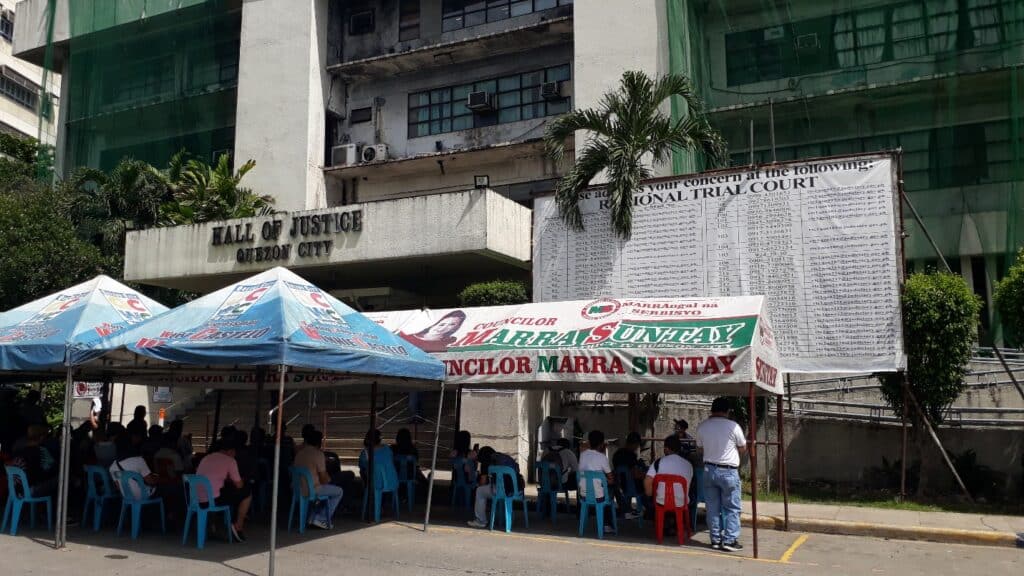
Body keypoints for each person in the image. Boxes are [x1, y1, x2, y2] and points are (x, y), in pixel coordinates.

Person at [697, 397, 747, 552]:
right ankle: (730, 540)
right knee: (732, 507)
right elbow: (742, 447)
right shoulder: (733, 426)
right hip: (728, 471)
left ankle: (715, 539)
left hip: (708, 470)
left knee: (712, 507)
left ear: (712, 409)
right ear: (727, 411)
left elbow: (700, 449)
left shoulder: (702, 427)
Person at [196, 431, 252, 542]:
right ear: (231, 451)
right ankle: (238, 526)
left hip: (196, 499)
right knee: (247, 492)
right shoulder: (230, 461)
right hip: (212, 501)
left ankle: (212, 527)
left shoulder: (207, 458)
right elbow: (239, 485)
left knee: (221, 491)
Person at [294, 428, 343, 529]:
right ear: (319, 442)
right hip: (312, 490)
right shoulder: (318, 454)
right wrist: (330, 479)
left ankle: (313, 516)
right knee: (338, 491)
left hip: (298, 489)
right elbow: (324, 479)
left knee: (327, 491)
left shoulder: (299, 453)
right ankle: (321, 518)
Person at [644, 435, 694, 522]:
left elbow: (647, 481)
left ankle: (658, 520)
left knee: (648, 496)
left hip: (661, 501)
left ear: (666, 448)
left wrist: (650, 495)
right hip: (682, 502)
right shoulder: (688, 465)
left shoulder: (658, 462)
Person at [468, 446, 521, 529]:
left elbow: (482, 482)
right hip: (515, 490)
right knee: (498, 491)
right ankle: (507, 518)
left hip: (500, 490)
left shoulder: (486, 463)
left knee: (479, 491)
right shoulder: (502, 458)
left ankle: (481, 521)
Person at [577, 430, 615, 529]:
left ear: (589, 442)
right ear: (602, 444)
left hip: (584, 495)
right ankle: (607, 524)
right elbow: (610, 479)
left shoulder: (583, 455)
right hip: (599, 497)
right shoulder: (602, 458)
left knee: (600, 487)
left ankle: (583, 520)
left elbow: (580, 472)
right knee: (610, 489)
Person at [11, 425, 58, 497]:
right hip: (32, 490)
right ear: (42, 437)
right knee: (62, 478)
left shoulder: (18, 451)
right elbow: (49, 469)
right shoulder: (41, 451)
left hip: (16, 490)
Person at [612, 431, 645, 518]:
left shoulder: (617, 454)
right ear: (635, 444)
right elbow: (635, 474)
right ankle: (645, 508)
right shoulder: (631, 456)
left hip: (619, 487)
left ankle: (626, 508)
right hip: (630, 487)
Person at [399, 310, 466, 352]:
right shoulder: (405, 337)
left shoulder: (449, 342)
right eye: (441, 324)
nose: (443, 328)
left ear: (457, 327)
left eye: (452, 325)